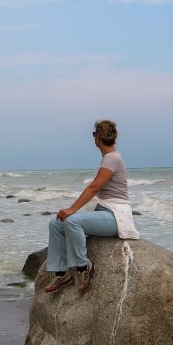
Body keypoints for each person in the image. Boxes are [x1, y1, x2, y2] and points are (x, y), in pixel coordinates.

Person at [44, 119, 139, 294]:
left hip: (115, 216)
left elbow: (94, 187)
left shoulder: (112, 158)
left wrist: (72, 209)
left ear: (97, 139)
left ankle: (83, 267)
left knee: (72, 221)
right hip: (103, 210)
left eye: (94, 134)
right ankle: (62, 274)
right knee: (56, 223)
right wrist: (71, 212)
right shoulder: (109, 157)